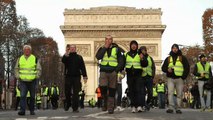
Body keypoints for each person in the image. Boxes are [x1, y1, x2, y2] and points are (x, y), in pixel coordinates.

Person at [95, 35, 124, 114]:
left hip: (113, 71)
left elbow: (121, 61)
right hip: (103, 71)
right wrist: (105, 48)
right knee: (102, 87)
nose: (108, 41)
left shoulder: (117, 49)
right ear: (105, 40)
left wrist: (116, 70)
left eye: (110, 39)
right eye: (106, 39)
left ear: (112, 40)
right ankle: (105, 100)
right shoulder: (102, 49)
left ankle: (110, 107)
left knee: (112, 89)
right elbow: (98, 57)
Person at [161, 44, 190, 114]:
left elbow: (187, 67)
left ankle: (178, 108)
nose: (175, 49)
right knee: (170, 93)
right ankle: (171, 108)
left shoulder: (182, 58)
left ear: (178, 49)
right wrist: (167, 70)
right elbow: (163, 68)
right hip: (170, 78)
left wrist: (183, 77)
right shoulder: (168, 59)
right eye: (173, 48)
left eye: (176, 48)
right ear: (171, 49)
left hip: (179, 79)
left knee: (179, 94)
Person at [15, 45, 42, 115]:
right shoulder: (20, 58)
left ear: (30, 51)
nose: (27, 51)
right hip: (23, 80)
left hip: (32, 81)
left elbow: (39, 68)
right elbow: (16, 68)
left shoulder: (35, 58)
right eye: (25, 50)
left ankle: (32, 110)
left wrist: (37, 76)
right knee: (23, 96)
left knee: (32, 96)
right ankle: (22, 110)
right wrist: (18, 76)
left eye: (28, 50)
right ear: (23, 51)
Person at [62, 44, 88, 112]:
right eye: (71, 48)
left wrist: (85, 76)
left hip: (77, 77)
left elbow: (83, 67)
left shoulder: (79, 57)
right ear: (69, 49)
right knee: (67, 91)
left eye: (74, 48)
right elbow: (63, 60)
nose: (72, 49)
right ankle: (68, 103)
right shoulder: (67, 56)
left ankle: (75, 107)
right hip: (68, 76)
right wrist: (66, 53)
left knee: (76, 93)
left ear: (76, 49)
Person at [124, 40, 148, 113]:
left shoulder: (140, 54)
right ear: (130, 46)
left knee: (138, 90)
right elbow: (122, 63)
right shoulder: (126, 54)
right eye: (132, 45)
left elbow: (145, 64)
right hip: (130, 74)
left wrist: (142, 58)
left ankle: (139, 106)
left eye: (135, 45)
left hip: (138, 74)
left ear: (137, 46)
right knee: (131, 90)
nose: (133, 46)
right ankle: (133, 106)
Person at [139, 46, 156, 111]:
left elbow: (153, 67)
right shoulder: (138, 58)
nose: (143, 51)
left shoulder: (150, 58)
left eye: (144, 50)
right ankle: (144, 105)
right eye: (142, 50)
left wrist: (153, 76)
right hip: (142, 77)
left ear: (146, 51)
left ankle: (147, 103)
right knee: (142, 92)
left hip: (149, 77)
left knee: (150, 92)